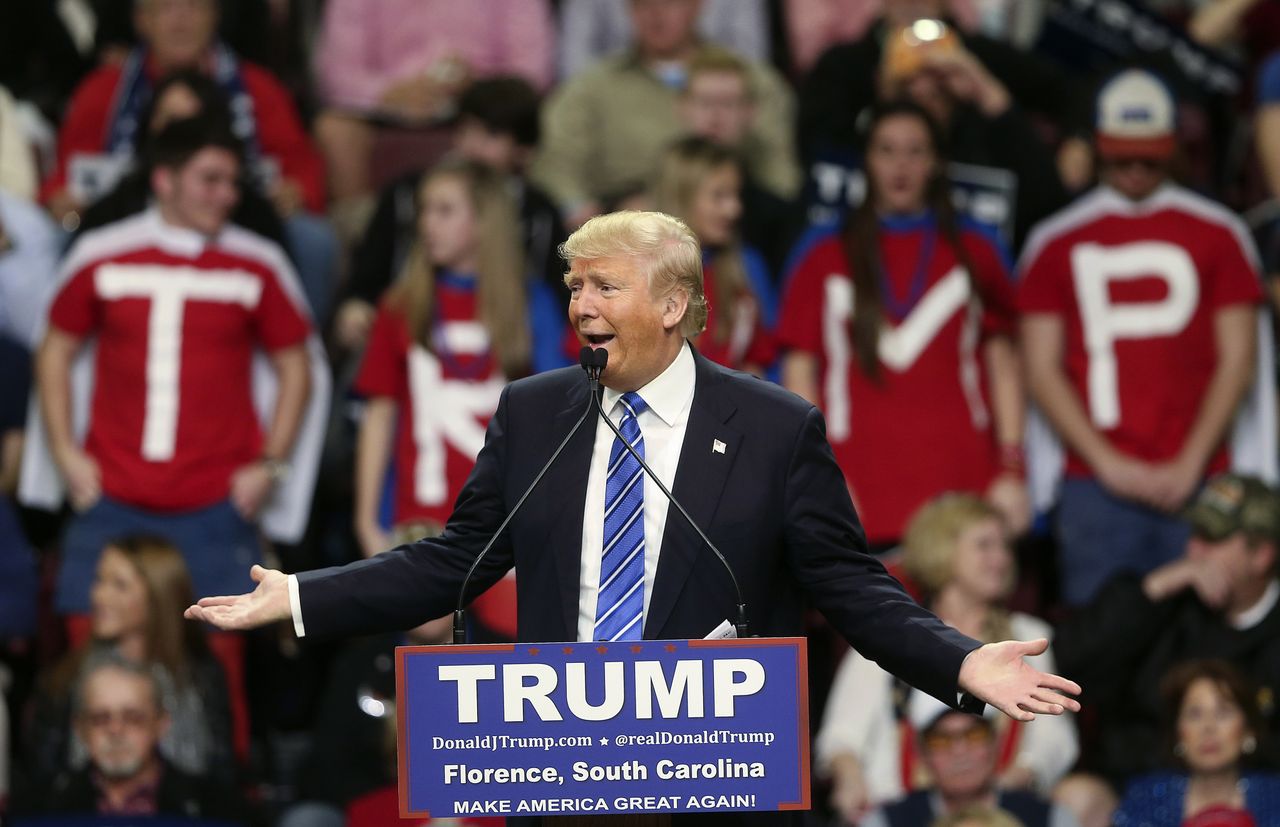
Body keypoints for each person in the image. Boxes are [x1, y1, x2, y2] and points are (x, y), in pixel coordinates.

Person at [187, 209, 1079, 827]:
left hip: (711, 774)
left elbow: (850, 589)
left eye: (605, 287)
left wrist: (961, 658)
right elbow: (452, 560)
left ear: (674, 305)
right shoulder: (535, 413)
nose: (581, 307)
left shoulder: (772, 429)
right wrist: (300, 596)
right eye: (575, 287)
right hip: (566, 770)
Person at [23, 117, 327, 619]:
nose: (227, 195)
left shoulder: (257, 262)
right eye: (211, 179)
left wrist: (270, 465)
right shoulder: (103, 252)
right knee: (88, 661)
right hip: (111, 495)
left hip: (217, 504)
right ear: (164, 179)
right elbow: (55, 347)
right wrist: (64, 452)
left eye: (233, 182)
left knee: (218, 673)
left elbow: (298, 365)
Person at [1018, 69, 1271, 607]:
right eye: (1121, 156)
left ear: (1174, 149)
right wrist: (1106, 461)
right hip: (1094, 481)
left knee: (1205, 651)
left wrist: (1190, 462)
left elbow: (1239, 359)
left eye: (1149, 157)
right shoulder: (1055, 239)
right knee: (1101, 649)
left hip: (1203, 478)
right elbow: (1040, 369)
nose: (1135, 170)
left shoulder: (1219, 232)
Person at [778, 100, 1028, 549]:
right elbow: (800, 376)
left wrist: (1012, 468)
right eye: (887, 150)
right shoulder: (821, 252)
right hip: (857, 486)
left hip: (963, 482)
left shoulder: (978, 247)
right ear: (867, 160)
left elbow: (1004, 364)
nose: (901, 166)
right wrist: (819, 477)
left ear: (936, 162)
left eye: (916, 151)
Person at [39, 0, 336, 321]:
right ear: (142, 21)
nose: (180, 21)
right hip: (127, 213)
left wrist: (296, 191)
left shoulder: (260, 89)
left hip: (236, 213)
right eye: (166, 8)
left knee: (314, 241)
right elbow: (65, 174)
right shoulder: (103, 90)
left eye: (194, 7)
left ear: (215, 17)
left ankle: (298, 351)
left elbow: (302, 169)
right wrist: (62, 200)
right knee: (58, 237)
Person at [818, 494, 1077, 822]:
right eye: (984, 546)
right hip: (904, 812)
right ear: (941, 550)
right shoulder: (892, 636)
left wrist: (1018, 780)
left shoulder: (1028, 636)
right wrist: (850, 778)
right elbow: (841, 736)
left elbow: (1054, 737)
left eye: (1004, 546)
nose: (1001, 559)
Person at [1055, 473, 1280, 786]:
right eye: (1194, 533)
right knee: (1078, 795)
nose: (1194, 550)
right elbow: (1068, 663)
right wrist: (1157, 587)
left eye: (1211, 538)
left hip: (1257, 792)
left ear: (1261, 555)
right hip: (1144, 784)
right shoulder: (1167, 603)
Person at [333, 75, 568, 357]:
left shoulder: (539, 213)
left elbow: (557, 304)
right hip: (406, 332)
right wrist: (356, 306)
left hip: (503, 342)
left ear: (524, 151)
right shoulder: (407, 193)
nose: (472, 146)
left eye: (490, 135)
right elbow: (368, 276)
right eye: (465, 131)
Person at [532, 0, 799, 228]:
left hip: (730, 223)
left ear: (697, 6)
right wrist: (579, 207)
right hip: (623, 225)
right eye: (644, 4)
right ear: (630, 11)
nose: (657, 15)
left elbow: (778, 168)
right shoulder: (591, 87)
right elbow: (554, 161)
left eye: (670, 2)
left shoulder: (746, 79)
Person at [311, 0, 555, 233]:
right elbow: (336, 75)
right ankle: (365, 237)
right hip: (380, 108)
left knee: (512, 124)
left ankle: (502, 229)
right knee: (335, 128)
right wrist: (388, 93)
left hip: (480, 107)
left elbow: (532, 71)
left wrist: (476, 86)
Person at [23, 536, 234, 792]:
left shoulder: (201, 676)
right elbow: (42, 782)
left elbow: (223, 776)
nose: (99, 595)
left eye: (119, 585)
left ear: (158, 595)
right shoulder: (65, 678)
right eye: (99, 580)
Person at [13, 652, 244, 821]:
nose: (116, 730)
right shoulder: (36, 809)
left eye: (133, 718)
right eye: (100, 718)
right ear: (80, 728)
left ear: (161, 724)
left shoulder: (216, 809)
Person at [651, 136, 774, 373]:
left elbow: (755, 366)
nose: (734, 209)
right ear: (681, 197)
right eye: (719, 196)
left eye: (736, 195)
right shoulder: (632, 270)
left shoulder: (743, 270)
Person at [678, 47, 799, 280]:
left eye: (727, 104)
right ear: (683, 107)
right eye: (705, 102)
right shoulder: (644, 208)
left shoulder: (776, 220)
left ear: (749, 112)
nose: (715, 116)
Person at [1113, 660, 1280, 826]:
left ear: (1248, 730)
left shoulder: (1274, 797)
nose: (1208, 727)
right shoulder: (1145, 799)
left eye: (1223, 712)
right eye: (1195, 714)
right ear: (1177, 732)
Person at [859, 710, 1080, 827]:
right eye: (941, 740)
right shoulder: (886, 822)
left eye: (974, 735)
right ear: (923, 755)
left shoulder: (1049, 818)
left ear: (996, 744)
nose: (960, 751)